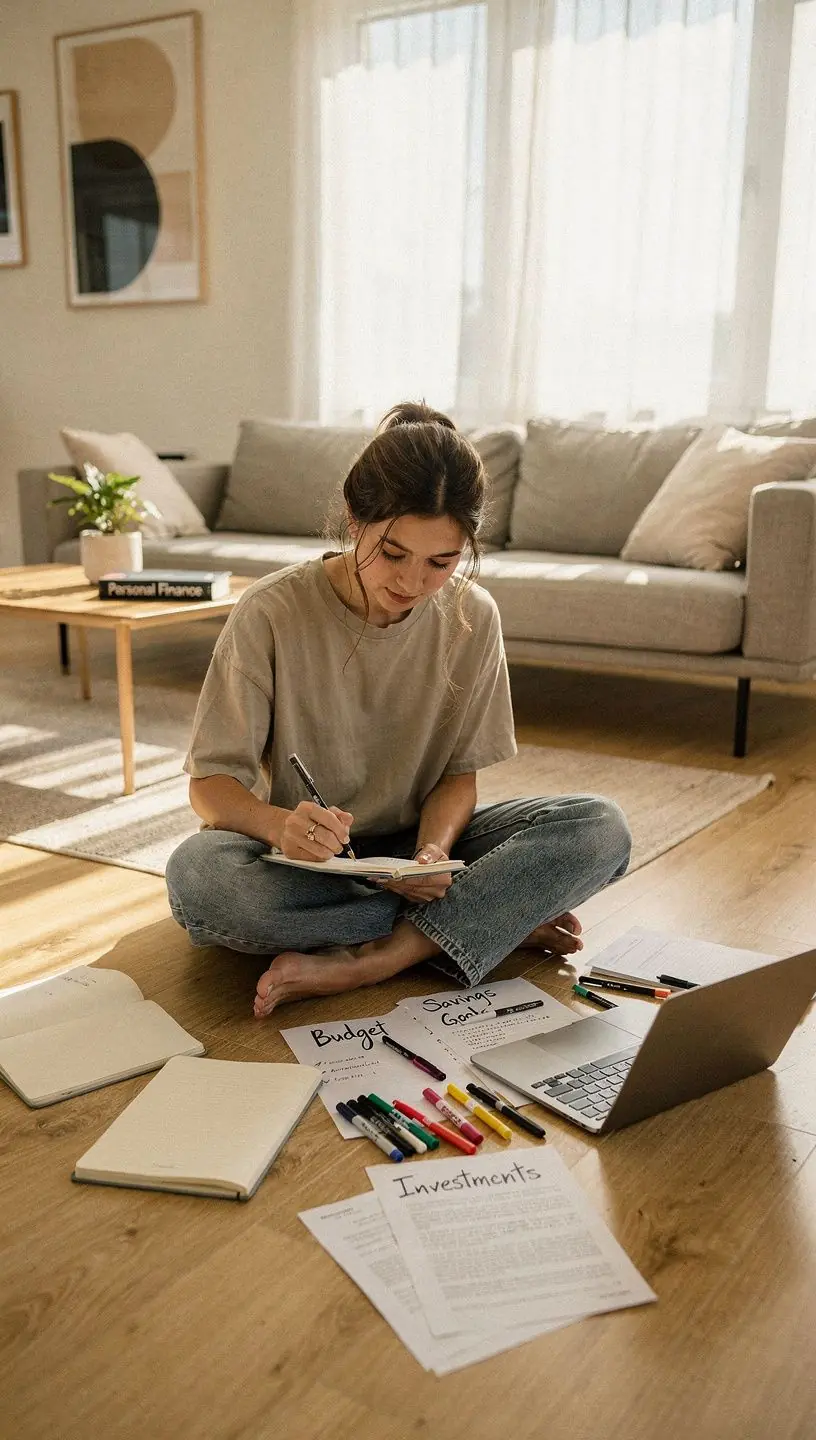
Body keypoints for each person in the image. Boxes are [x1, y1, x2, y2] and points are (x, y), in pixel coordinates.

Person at [165, 401, 631, 1018]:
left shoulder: (474, 616)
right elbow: (210, 788)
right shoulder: (270, 611)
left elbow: (458, 777)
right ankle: (487, 919)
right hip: (305, 863)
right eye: (392, 554)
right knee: (203, 881)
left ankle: (382, 956)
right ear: (354, 519)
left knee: (600, 827)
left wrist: (432, 854)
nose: (411, 583)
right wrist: (280, 827)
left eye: (441, 562)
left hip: (417, 856)